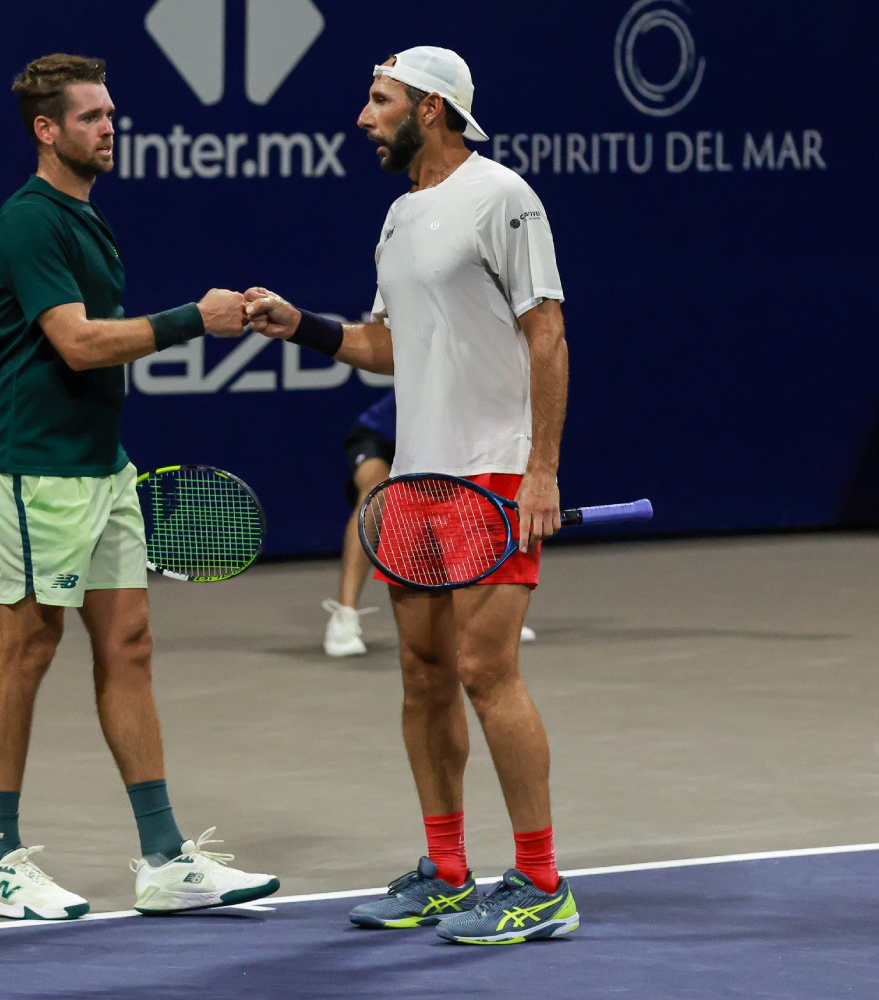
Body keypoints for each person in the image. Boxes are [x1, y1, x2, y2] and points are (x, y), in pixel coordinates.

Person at [249, 46, 576, 944]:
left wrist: (541, 469)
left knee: (486, 672)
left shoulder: (502, 196)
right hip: (417, 480)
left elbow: (546, 334)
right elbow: (388, 346)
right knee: (423, 675)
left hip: (494, 472)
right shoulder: (398, 217)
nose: (365, 117)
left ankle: (542, 881)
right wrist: (301, 326)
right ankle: (446, 869)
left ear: (431, 108)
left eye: (379, 100)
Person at [0, 53, 278, 921]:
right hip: (33, 464)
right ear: (47, 130)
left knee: (129, 644)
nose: (109, 128)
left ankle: (165, 859)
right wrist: (194, 320)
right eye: (91, 117)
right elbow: (77, 343)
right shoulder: (30, 223)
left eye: (110, 114)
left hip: (101, 464)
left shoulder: (85, 217)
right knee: (27, 645)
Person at [325, 390, 538, 657]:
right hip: (381, 436)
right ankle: (345, 615)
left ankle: (488, 610)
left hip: (444, 445)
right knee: (376, 492)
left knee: (470, 498)